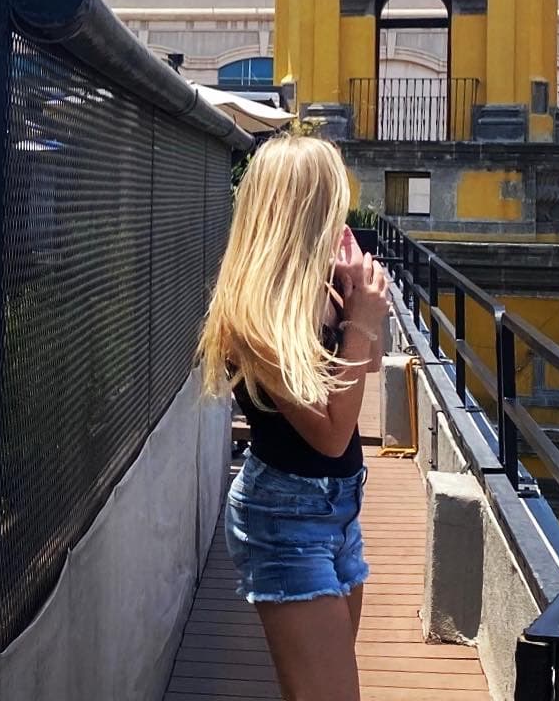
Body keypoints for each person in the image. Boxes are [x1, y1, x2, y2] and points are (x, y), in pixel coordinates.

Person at [198, 133, 391, 701]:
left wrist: (356, 299)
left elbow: (368, 367)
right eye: (333, 201)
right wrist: (358, 321)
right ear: (307, 211)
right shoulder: (260, 316)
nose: (343, 213)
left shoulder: (319, 289)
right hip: (287, 517)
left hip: (338, 511)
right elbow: (332, 434)